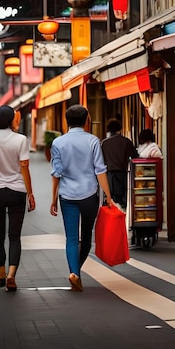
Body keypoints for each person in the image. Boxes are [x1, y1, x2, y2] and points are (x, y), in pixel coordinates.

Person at [49, 105, 113, 291]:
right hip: (89, 195)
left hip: (67, 196)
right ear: (87, 120)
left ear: (66, 121)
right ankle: (76, 272)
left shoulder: (58, 143)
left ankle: (74, 272)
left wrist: (53, 198)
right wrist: (108, 196)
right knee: (86, 237)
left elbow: (56, 173)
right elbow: (100, 170)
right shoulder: (93, 141)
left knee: (70, 238)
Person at [0, 106, 36, 292]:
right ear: (11, 119)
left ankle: (1, 273)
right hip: (17, 191)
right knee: (14, 236)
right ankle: (12, 274)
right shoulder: (21, 140)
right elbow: (24, 167)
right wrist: (30, 193)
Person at [101, 118, 138, 209]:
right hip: (123, 173)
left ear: (108, 129)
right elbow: (135, 155)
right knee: (123, 199)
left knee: (112, 199)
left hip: (109, 174)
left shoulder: (104, 143)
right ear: (120, 129)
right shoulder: (126, 141)